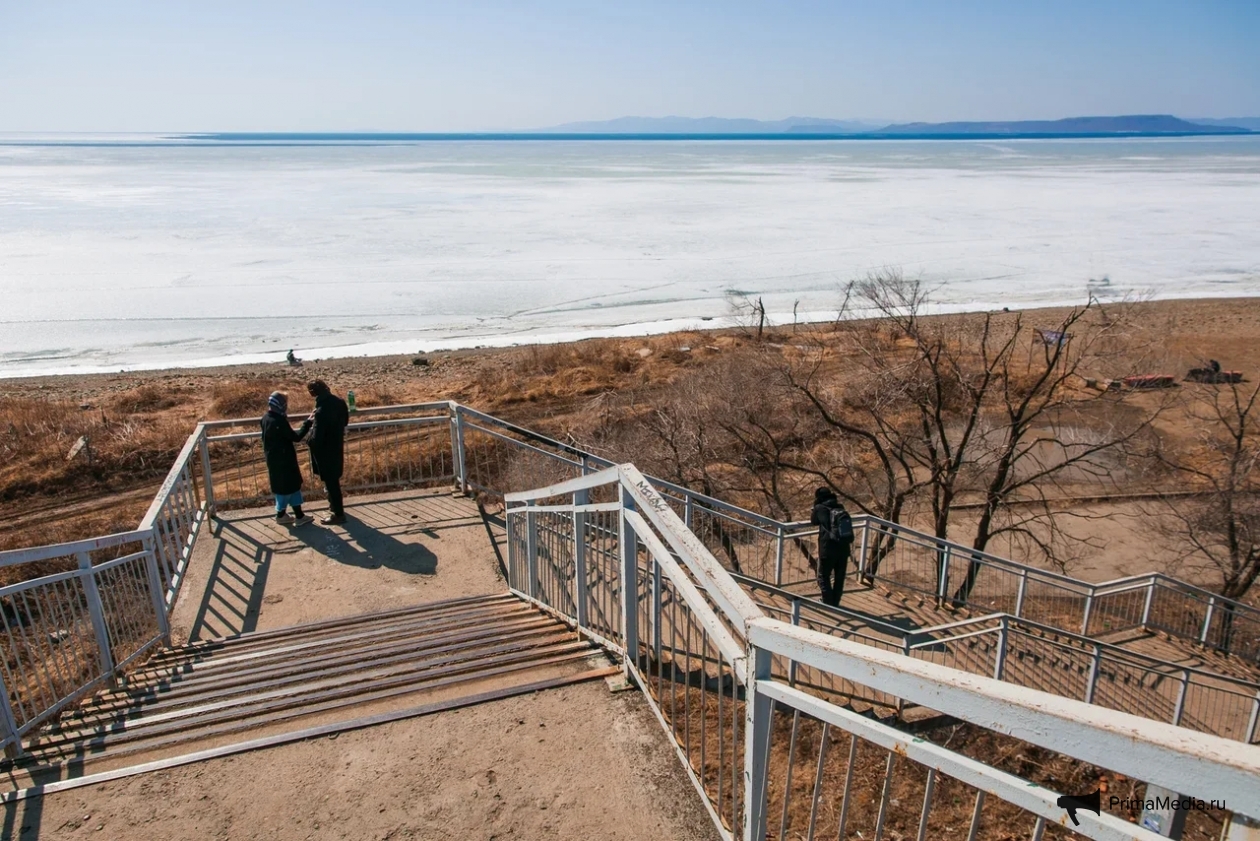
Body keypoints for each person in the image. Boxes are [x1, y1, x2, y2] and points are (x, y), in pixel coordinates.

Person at [261, 391, 313, 526]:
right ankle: (290, 515)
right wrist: (307, 424)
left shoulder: (266, 418)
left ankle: (290, 515)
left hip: (273, 459)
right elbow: (296, 437)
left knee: (286, 488)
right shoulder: (279, 421)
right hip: (285, 460)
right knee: (290, 488)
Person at [306, 379, 350, 525]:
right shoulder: (340, 402)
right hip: (337, 446)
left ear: (313, 393)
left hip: (325, 452)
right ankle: (335, 507)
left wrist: (308, 439)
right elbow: (345, 422)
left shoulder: (320, 411)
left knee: (331, 484)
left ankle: (338, 513)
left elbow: (316, 438)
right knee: (334, 481)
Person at [810, 486, 853, 607]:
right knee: (839, 577)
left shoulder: (819, 508)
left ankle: (827, 602)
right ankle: (835, 602)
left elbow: (814, 522)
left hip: (827, 548)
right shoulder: (840, 507)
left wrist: (814, 507)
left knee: (823, 576)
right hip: (843, 548)